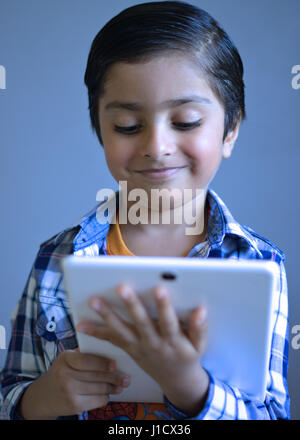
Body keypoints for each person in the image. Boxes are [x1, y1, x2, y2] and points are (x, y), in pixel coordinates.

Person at [0, 1, 290, 420]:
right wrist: (42, 398)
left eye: (186, 121)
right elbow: (11, 392)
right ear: (100, 131)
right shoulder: (55, 259)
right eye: (128, 127)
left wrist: (190, 387)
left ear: (230, 130)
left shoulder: (259, 263)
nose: (156, 147)